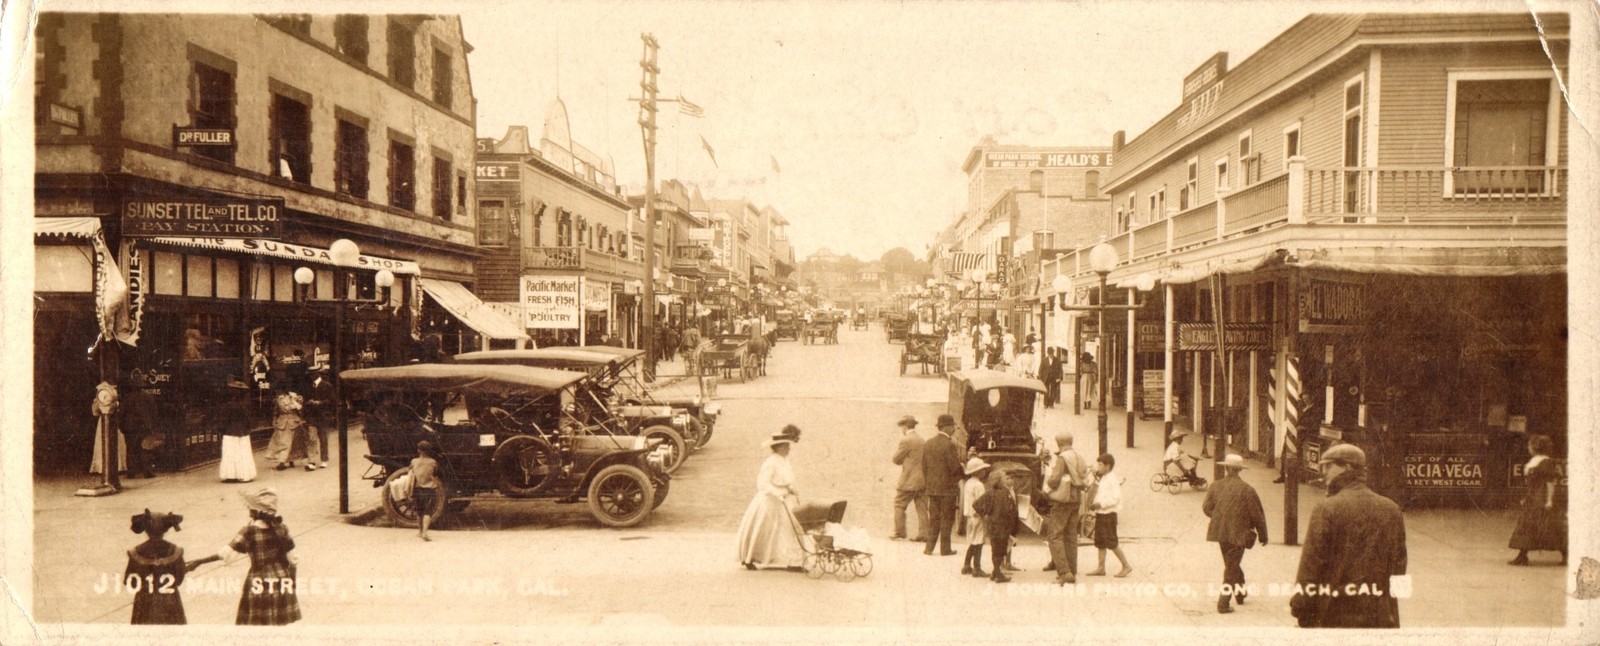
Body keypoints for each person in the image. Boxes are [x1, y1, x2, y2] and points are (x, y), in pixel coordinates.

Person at [1289, 444, 1406, 628]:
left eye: (1329, 466)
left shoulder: (1326, 509)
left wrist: (1300, 608)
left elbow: (1311, 566)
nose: (1324, 473)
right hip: (1379, 615)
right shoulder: (1392, 509)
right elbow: (1399, 565)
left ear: (1348, 467)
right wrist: (1392, 609)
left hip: (1334, 613)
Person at [185, 487, 302, 625]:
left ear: (257, 512)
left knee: (259, 623)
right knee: (277, 620)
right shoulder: (281, 528)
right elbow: (292, 560)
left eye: (250, 508)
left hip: (259, 581)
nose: (248, 511)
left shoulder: (249, 532)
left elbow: (225, 554)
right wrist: (291, 582)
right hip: (281, 579)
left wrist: (199, 561)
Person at [1204, 454, 1270, 614]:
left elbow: (1206, 507)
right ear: (1240, 470)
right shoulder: (1247, 490)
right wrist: (1263, 535)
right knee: (1232, 567)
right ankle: (1223, 603)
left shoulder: (1215, 485)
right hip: (1239, 533)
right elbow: (1257, 515)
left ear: (1226, 468)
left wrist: (1221, 516)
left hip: (1221, 532)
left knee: (1231, 564)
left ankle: (1240, 593)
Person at [736, 434, 808, 571]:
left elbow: (786, 479)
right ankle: (750, 558)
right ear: (779, 447)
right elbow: (763, 483)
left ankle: (794, 562)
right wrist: (777, 493)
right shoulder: (771, 462)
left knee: (790, 528)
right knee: (764, 530)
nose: (789, 449)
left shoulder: (784, 460)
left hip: (784, 499)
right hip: (769, 500)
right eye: (786, 446)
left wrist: (790, 489)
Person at [1508, 434, 1566, 566]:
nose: (1528, 447)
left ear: (1535, 447)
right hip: (1534, 496)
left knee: (1549, 526)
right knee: (1530, 525)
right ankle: (1522, 555)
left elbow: (1550, 482)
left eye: (1530, 445)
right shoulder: (1535, 461)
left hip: (1541, 496)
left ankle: (1566, 555)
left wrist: (1549, 500)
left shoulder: (1546, 462)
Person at [1042, 431, 1090, 584]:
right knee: (1071, 536)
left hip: (1062, 500)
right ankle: (1072, 571)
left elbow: (1055, 479)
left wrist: (1048, 484)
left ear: (1060, 444)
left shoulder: (1063, 458)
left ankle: (1063, 572)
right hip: (1076, 500)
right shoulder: (1078, 456)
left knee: (1054, 536)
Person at [125, 510, 187, 624]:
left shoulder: (136, 552)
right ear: (166, 529)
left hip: (144, 603)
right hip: (170, 602)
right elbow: (179, 579)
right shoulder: (174, 550)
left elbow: (129, 581)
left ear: (146, 529)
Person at [920, 414, 964, 557]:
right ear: (947, 427)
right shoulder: (950, 445)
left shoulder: (928, 443)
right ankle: (945, 549)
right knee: (947, 519)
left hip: (932, 489)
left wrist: (929, 484)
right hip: (948, 491)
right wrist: (963, 471)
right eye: (953, 427)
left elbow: (924, 467)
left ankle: (929, 548)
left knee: (934, 519)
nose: (954, 430)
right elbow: (954, 468)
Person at [1085, 453, 1133, 578]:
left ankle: (1126, 565)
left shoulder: (1112, 479)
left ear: (1108, 466)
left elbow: (1115, 498)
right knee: (1100, 541)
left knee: (1112, 541)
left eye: (1101, 465)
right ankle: (1101, 568)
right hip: (1102, 513)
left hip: (1109, 514)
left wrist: (1100, 504)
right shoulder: (1104, 477)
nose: (1098, 467)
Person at [972, 466, 1018, 584]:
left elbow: (976, 504)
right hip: (1002, 526)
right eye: (1005, 478)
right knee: (1000, 550)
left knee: (995, 549)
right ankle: (997, 573)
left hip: (993, 526)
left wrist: (986, 514)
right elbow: (1009, 511)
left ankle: (995, 571)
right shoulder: (1004, 493)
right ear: (1000, 481)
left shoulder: (991, 493)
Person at [890, 415, 928, 542]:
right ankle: (924, 534)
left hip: (908, 480)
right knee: (922, 507)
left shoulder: (906, 440)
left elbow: (896, 459)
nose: (901, 429)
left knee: (899, 504)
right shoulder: (922, 440)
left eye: (901, 427)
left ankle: (899, 532)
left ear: (905, 426)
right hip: (922, 480)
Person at [217, 377, 257, 483]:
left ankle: (231, 475)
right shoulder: (245, 405)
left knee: (230, 453)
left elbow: (224, 420)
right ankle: (243, 474)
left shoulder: (228, 406)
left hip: (230, 431)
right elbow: (249, 420)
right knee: (243, 453)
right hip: (243, 431)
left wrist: (221, 430)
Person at [959, 457, 991, 578]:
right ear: (977, 471)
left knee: (972, 541)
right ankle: (977, 568)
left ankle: (966, 565)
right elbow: (982, 502)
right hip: (978, 516)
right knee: (979, 542)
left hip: (969, 516)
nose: (984, 472)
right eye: (982, 470)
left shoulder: (968, 483)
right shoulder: (979, 485)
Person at [265, 386, 306, 470]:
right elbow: (275, 411)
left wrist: (296, 402)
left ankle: (289, 460)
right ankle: (282, 461)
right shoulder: (278, 399)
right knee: (283, 442)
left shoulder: (295, 397)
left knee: (293, 442)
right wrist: (274, 420)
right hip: (282, 422)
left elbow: (300, 409)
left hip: (294, 421)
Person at [304, 366, 334, 470]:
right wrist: (307, 403)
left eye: (313, 374)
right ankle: (311, 461)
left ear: (318, 374)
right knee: (311, 439)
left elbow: (332, 401)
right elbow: (305, 400)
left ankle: (324, 459)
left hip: (323, 416)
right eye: (310, 374)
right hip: (312, 417)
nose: (311, 376)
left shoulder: (327, 385)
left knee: (323, 439)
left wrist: (319, 403)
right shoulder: (309, 386)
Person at [411, 440, 441, 541]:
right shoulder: (433, 462)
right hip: (429, 490)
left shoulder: (414, 461)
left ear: (418, 450)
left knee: (419, 513)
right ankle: (425, 533)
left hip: (417, 490)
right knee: (427, 513)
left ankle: (419, 531)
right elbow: (436, 474)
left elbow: (410, 472)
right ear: (429, 451)